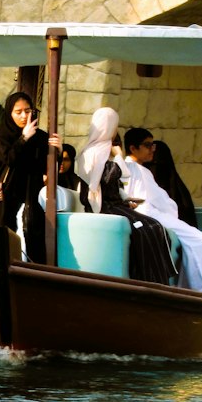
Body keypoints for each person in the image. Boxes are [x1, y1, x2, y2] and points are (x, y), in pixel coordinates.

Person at [76, 107, 175, 285]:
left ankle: (159, 278)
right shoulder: (91, 153)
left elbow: (114, 182)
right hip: (105, 207)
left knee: (155, 226)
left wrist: (125, 199)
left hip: (117, 205)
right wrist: (120, 157)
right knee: (144, 228)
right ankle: (146, 279)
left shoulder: (105, 151)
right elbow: (108, 177)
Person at [124, 128, 202, 294]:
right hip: (150, 213)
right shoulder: (137, 170)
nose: (152, 150)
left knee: (195, 242)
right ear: (133, 148)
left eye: (152, 145)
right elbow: (160, 201)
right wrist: (171, 210)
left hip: (148, 213)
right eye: (147, 145)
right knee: (201, 241)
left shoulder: (133, 168)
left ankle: (193, 287)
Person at [0, 91, 60, 264]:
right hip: (5, 191)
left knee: (33, 227)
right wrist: (24, 138)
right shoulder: (4, 135)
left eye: (27, 111)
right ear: (10, 113)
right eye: (18, 112)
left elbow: (47, 167)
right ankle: (4, 263)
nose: (23, 116)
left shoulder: (41, 137)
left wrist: (57, 150)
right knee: (4, 227)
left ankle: (35, 268)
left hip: (30, 191)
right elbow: (9, 159)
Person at [149, 138, 198, 227]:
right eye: (150, 165)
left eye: (160, 165)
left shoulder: (181, 197)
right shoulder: (143, 186)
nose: (156, 170)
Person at [57, 142, 90, 208]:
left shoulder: (78, 182)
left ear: (72, 162)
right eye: (59, 159)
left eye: (66, 160)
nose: (62, 163)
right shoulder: (50, 179)